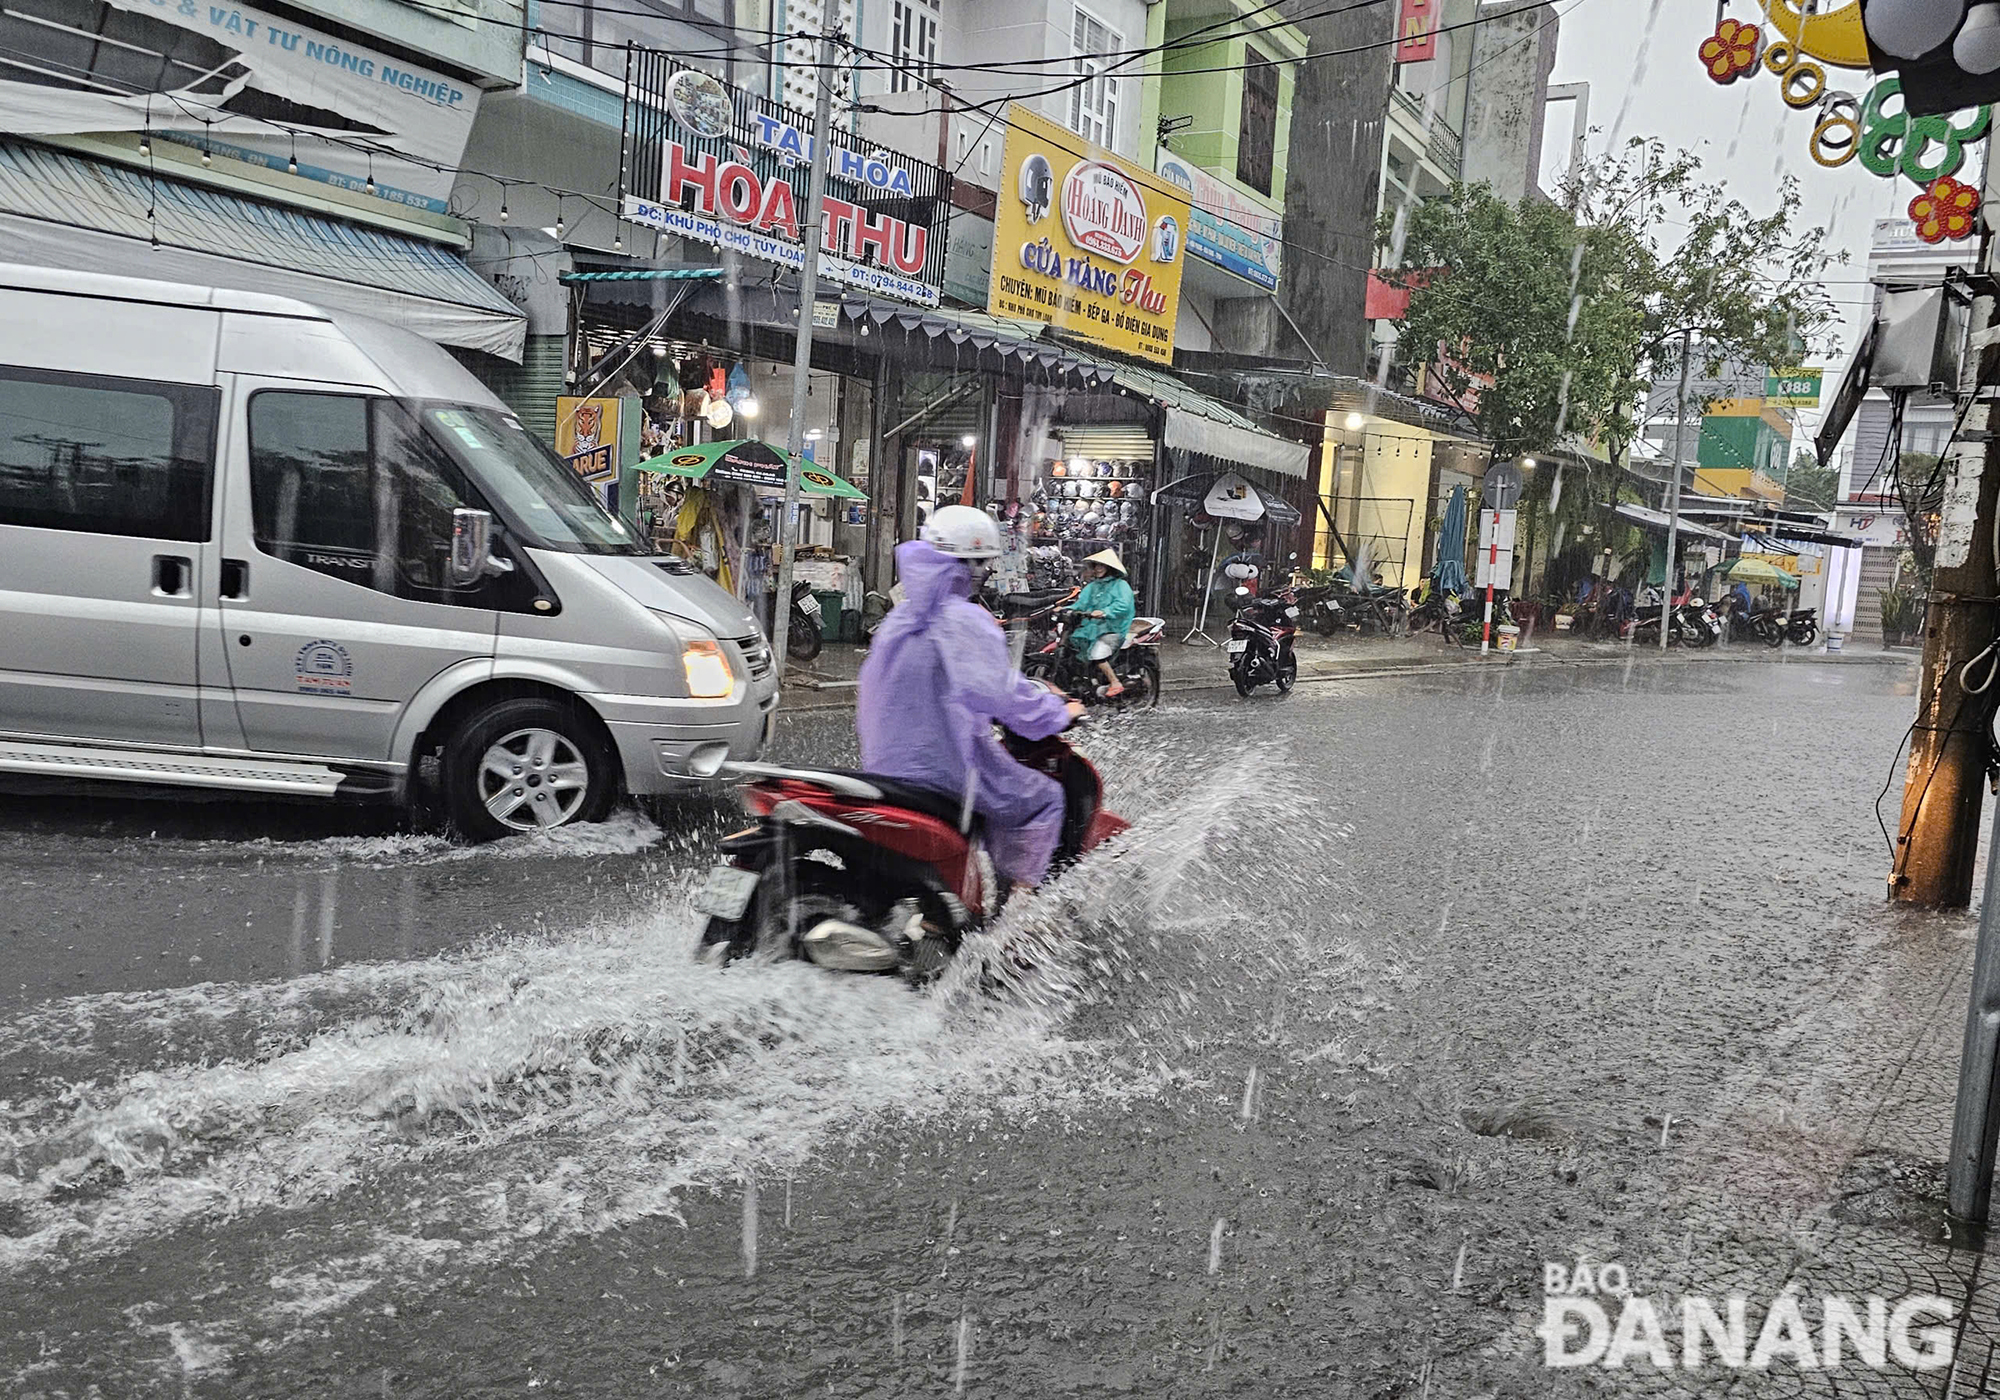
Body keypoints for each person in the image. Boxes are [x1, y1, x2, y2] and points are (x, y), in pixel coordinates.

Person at [857, 506, 1084, 890]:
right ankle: (1021, 919)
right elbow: (1002, 694)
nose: (989, 571)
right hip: (945, 769)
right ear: (968, 565)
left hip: (885, 768)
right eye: (984, 562)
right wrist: (1057, 712)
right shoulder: (962, 619)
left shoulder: (901, 618)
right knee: (1044, 799)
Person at [1067, 549, 1137, 698]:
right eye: (1096, 565)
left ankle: (1115, 682)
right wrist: (1065, 609)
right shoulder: (1092, 587)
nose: (1098, 568)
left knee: (1097, 653)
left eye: (1102, 565)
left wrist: (1105, 612)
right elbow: (1081, 603)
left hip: (1113, 629)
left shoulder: (1121, 585)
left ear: (1109, 568)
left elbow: (1123, 605)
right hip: (1093, 628)